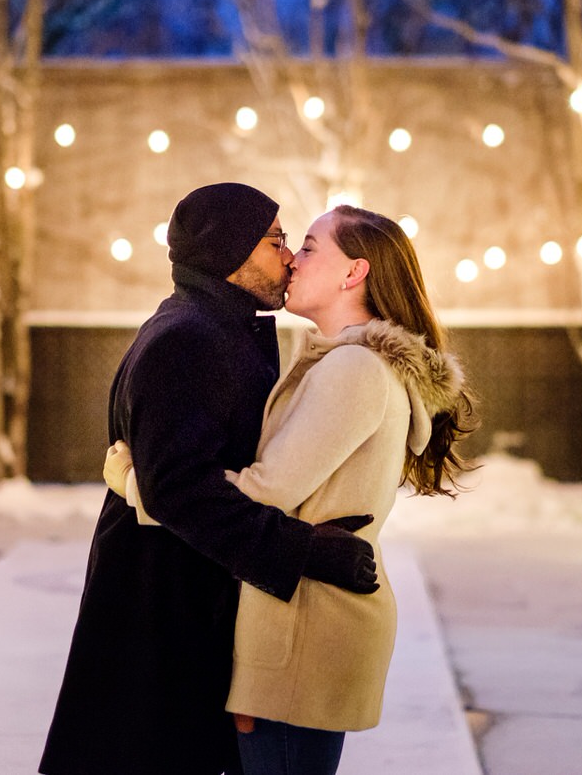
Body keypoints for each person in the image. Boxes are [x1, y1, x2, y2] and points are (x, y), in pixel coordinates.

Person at [107, 203, 478, 775]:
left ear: (353, 273)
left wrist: (135, 482)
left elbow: (263, 490)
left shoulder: (353, 370)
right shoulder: (338, 363)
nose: (292, 260)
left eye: (307, 247)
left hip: (304, 629)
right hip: (298, 617)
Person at [39, 183, 381, 775]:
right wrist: (302, 551)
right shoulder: (189, 339)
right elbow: (181, 491)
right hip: (160, 616)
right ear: (231, 252)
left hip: (187, 608)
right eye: (277, 240)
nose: (288, 256)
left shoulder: (223, 329)